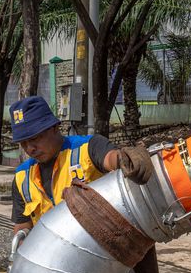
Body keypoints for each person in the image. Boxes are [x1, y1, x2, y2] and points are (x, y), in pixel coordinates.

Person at [9, 95, 153, 234]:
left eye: (34, 139)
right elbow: (22, 225)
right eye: (23, 143)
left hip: (107, 248)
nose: (30, 148)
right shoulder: (22, 177)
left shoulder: (87, 148)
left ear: (54, 128)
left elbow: (110, 158)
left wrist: (125, 158)